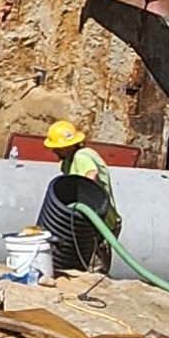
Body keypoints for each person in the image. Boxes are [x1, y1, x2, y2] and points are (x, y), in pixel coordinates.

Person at [36, 117, 115, 273]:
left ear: (68, 146)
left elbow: (92, 174)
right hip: (85, 221)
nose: (54, 151)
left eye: (57, 147)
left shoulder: (82, 156)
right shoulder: (68, 162)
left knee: (94, 263)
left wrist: (84, 202)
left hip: (100, 222)